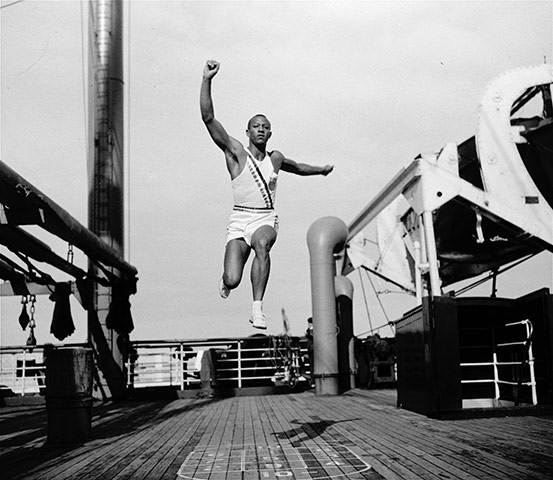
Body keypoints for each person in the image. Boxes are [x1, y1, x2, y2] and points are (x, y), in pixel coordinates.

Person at [200, 60, 334, 329]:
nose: (260, 129)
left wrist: (320, 170)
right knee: (233, 278)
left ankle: (257, 309)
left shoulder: (275, 158)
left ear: (270, 132)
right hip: (239, 220)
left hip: (265, 218)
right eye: (256, 126)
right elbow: (209, 118)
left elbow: (297, 167)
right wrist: (207, 79)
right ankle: (226, 281)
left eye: (265, 126)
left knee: (262, 245)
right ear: (247, 132)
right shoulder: (236, 153)